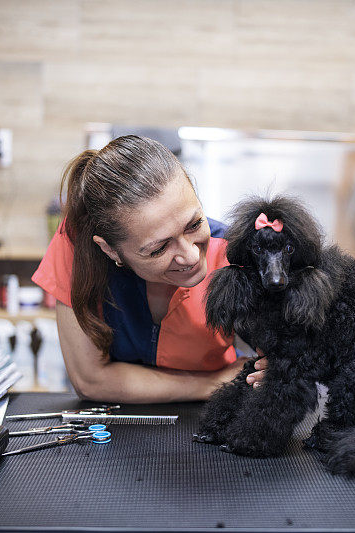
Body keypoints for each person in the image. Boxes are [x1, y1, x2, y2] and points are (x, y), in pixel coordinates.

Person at [32, 135, 266, 403]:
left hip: (211, 413)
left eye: (194, 224)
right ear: (109, 249)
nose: (190, 256)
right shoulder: (76, 247)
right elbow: (90, 380)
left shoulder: (233, 252)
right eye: (159, 248)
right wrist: (211, 384)